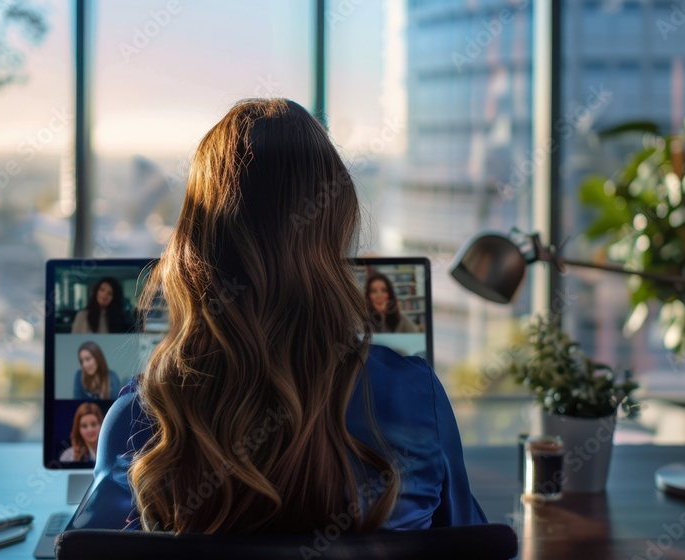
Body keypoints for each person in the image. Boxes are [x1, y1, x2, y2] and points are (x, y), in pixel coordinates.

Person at [68, 99, 485, 534]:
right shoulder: (416, 397)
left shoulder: (144, 420)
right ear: (335, 229)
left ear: (195, 244)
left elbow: (88, 549)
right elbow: (475, 547)